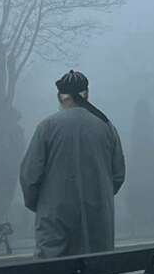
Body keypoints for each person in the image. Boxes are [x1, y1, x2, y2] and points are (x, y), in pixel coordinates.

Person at [19, 70, 126, 258]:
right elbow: (117, 175)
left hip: (55, 222)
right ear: (87, 94)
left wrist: (43, 205)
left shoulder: (47, 127)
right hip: (98, 221)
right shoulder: (107, 127)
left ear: (60, 96)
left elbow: (30, 176)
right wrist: (99, 196)